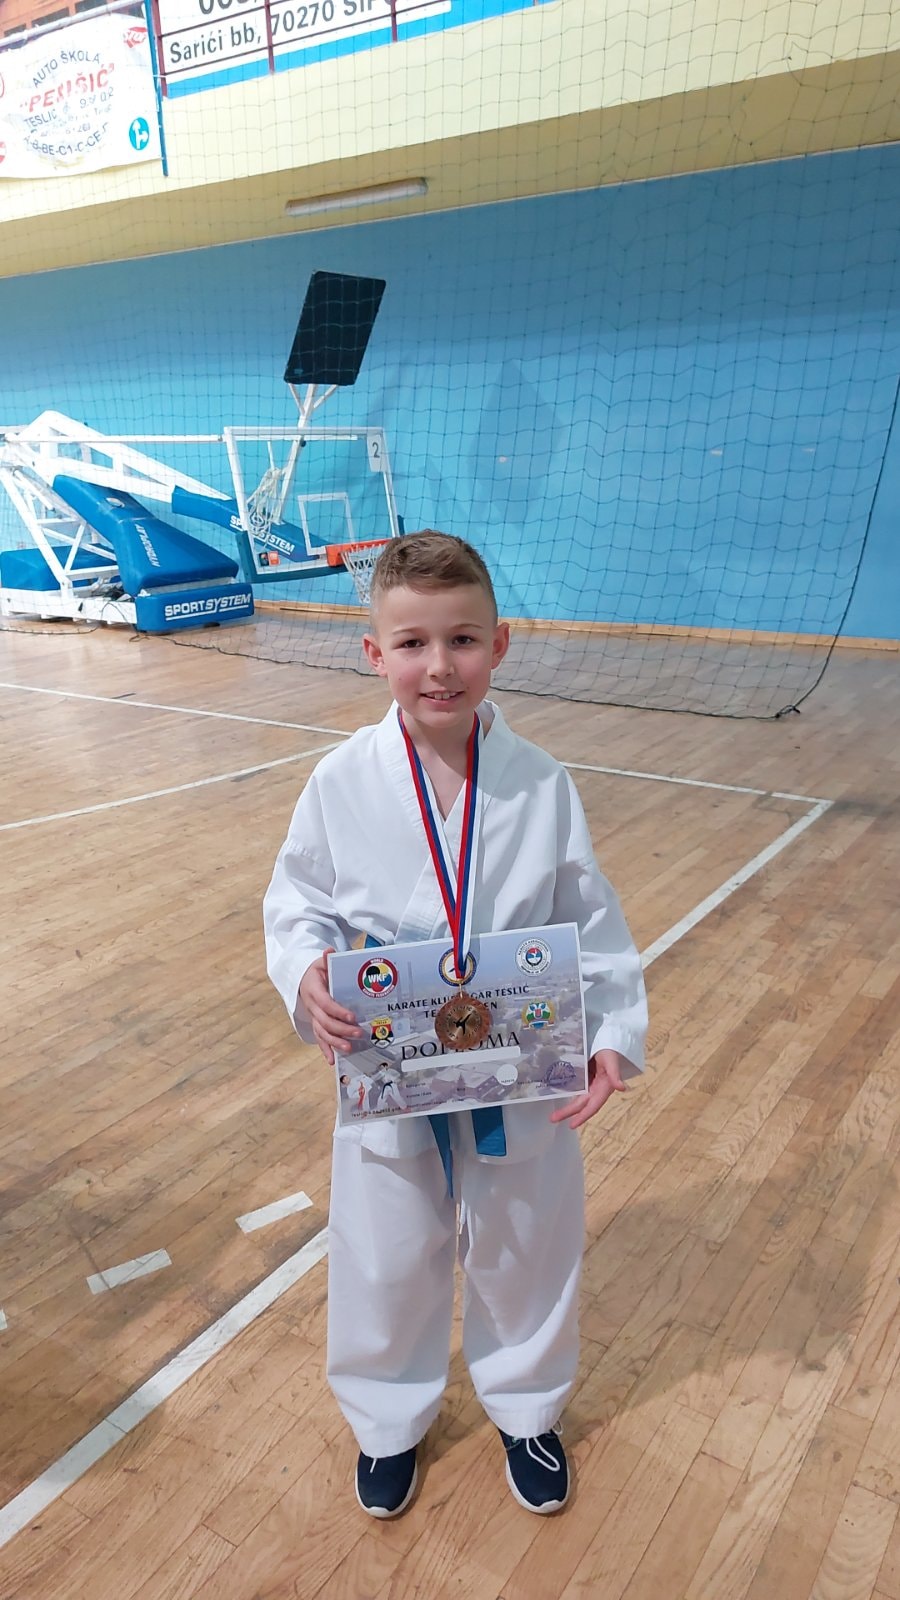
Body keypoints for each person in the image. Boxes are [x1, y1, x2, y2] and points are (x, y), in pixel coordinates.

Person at [264, 531, 648, 1521]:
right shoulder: (340, 781)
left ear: (500, 644)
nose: (440, 666)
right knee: (385, 1249)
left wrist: (612, 1029)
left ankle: (527, 1405)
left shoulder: (541, 782)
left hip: (522, 1057)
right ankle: (388, 1422)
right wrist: (306, 975)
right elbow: (296, 902)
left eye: (463, 639)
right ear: (374, 654)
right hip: (389, 1059)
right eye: (413, 643)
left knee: (526, 1240)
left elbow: (589, 915)